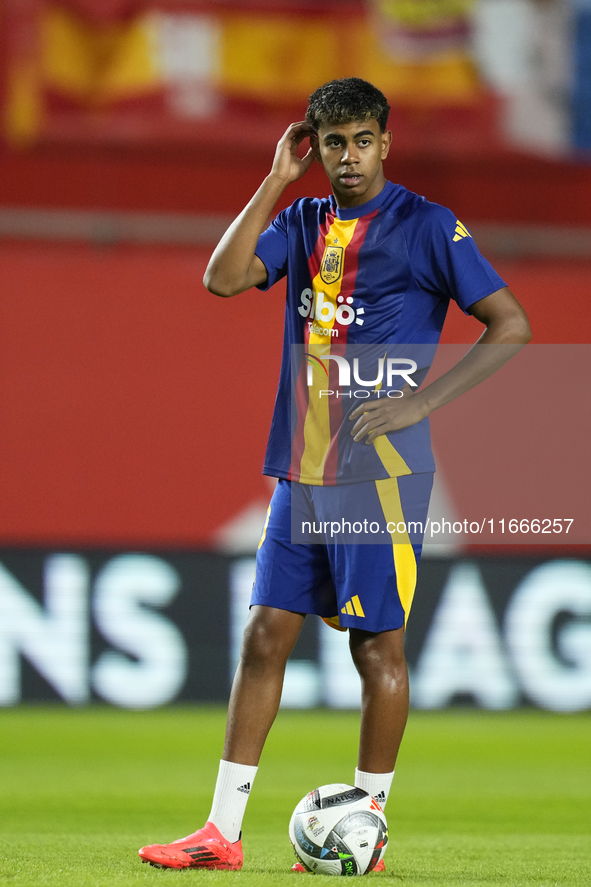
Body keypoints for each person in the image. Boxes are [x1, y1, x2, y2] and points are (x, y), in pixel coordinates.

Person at [138, 77, 531, 872]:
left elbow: (509, 322)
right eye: (331, 143)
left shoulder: (427, 227)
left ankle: (369, 826)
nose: (346, 157)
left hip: (378, 476)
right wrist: (275, 179)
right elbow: (222, 278)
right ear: (312, 147)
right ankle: (219, 832)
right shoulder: (303, 219)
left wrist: (421, 402)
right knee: (262, 636)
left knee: (374, 647)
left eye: (360, 140)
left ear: (384, 142)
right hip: (301, 467)